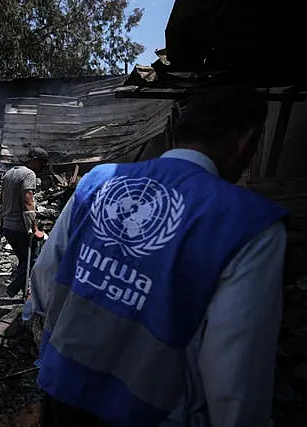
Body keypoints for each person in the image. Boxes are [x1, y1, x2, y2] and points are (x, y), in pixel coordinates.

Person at [29, 86, 287, 427]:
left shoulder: (98, 181)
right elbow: (234, 383)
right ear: (246, 140)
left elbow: (45, 280)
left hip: (63, 389)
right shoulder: (249, 225)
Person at [0, 147, 49, 298]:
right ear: (34, 161)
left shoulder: (9, 173)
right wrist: (35, 229)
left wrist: (1, 221)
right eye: (42, 164)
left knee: (24, 260)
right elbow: (28, 203)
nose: (42, 168)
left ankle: (24, 291)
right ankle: (13, 288)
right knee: (35, 259)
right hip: (19, 227)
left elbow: (1, 199)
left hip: (7, 225)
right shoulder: (29, 174)